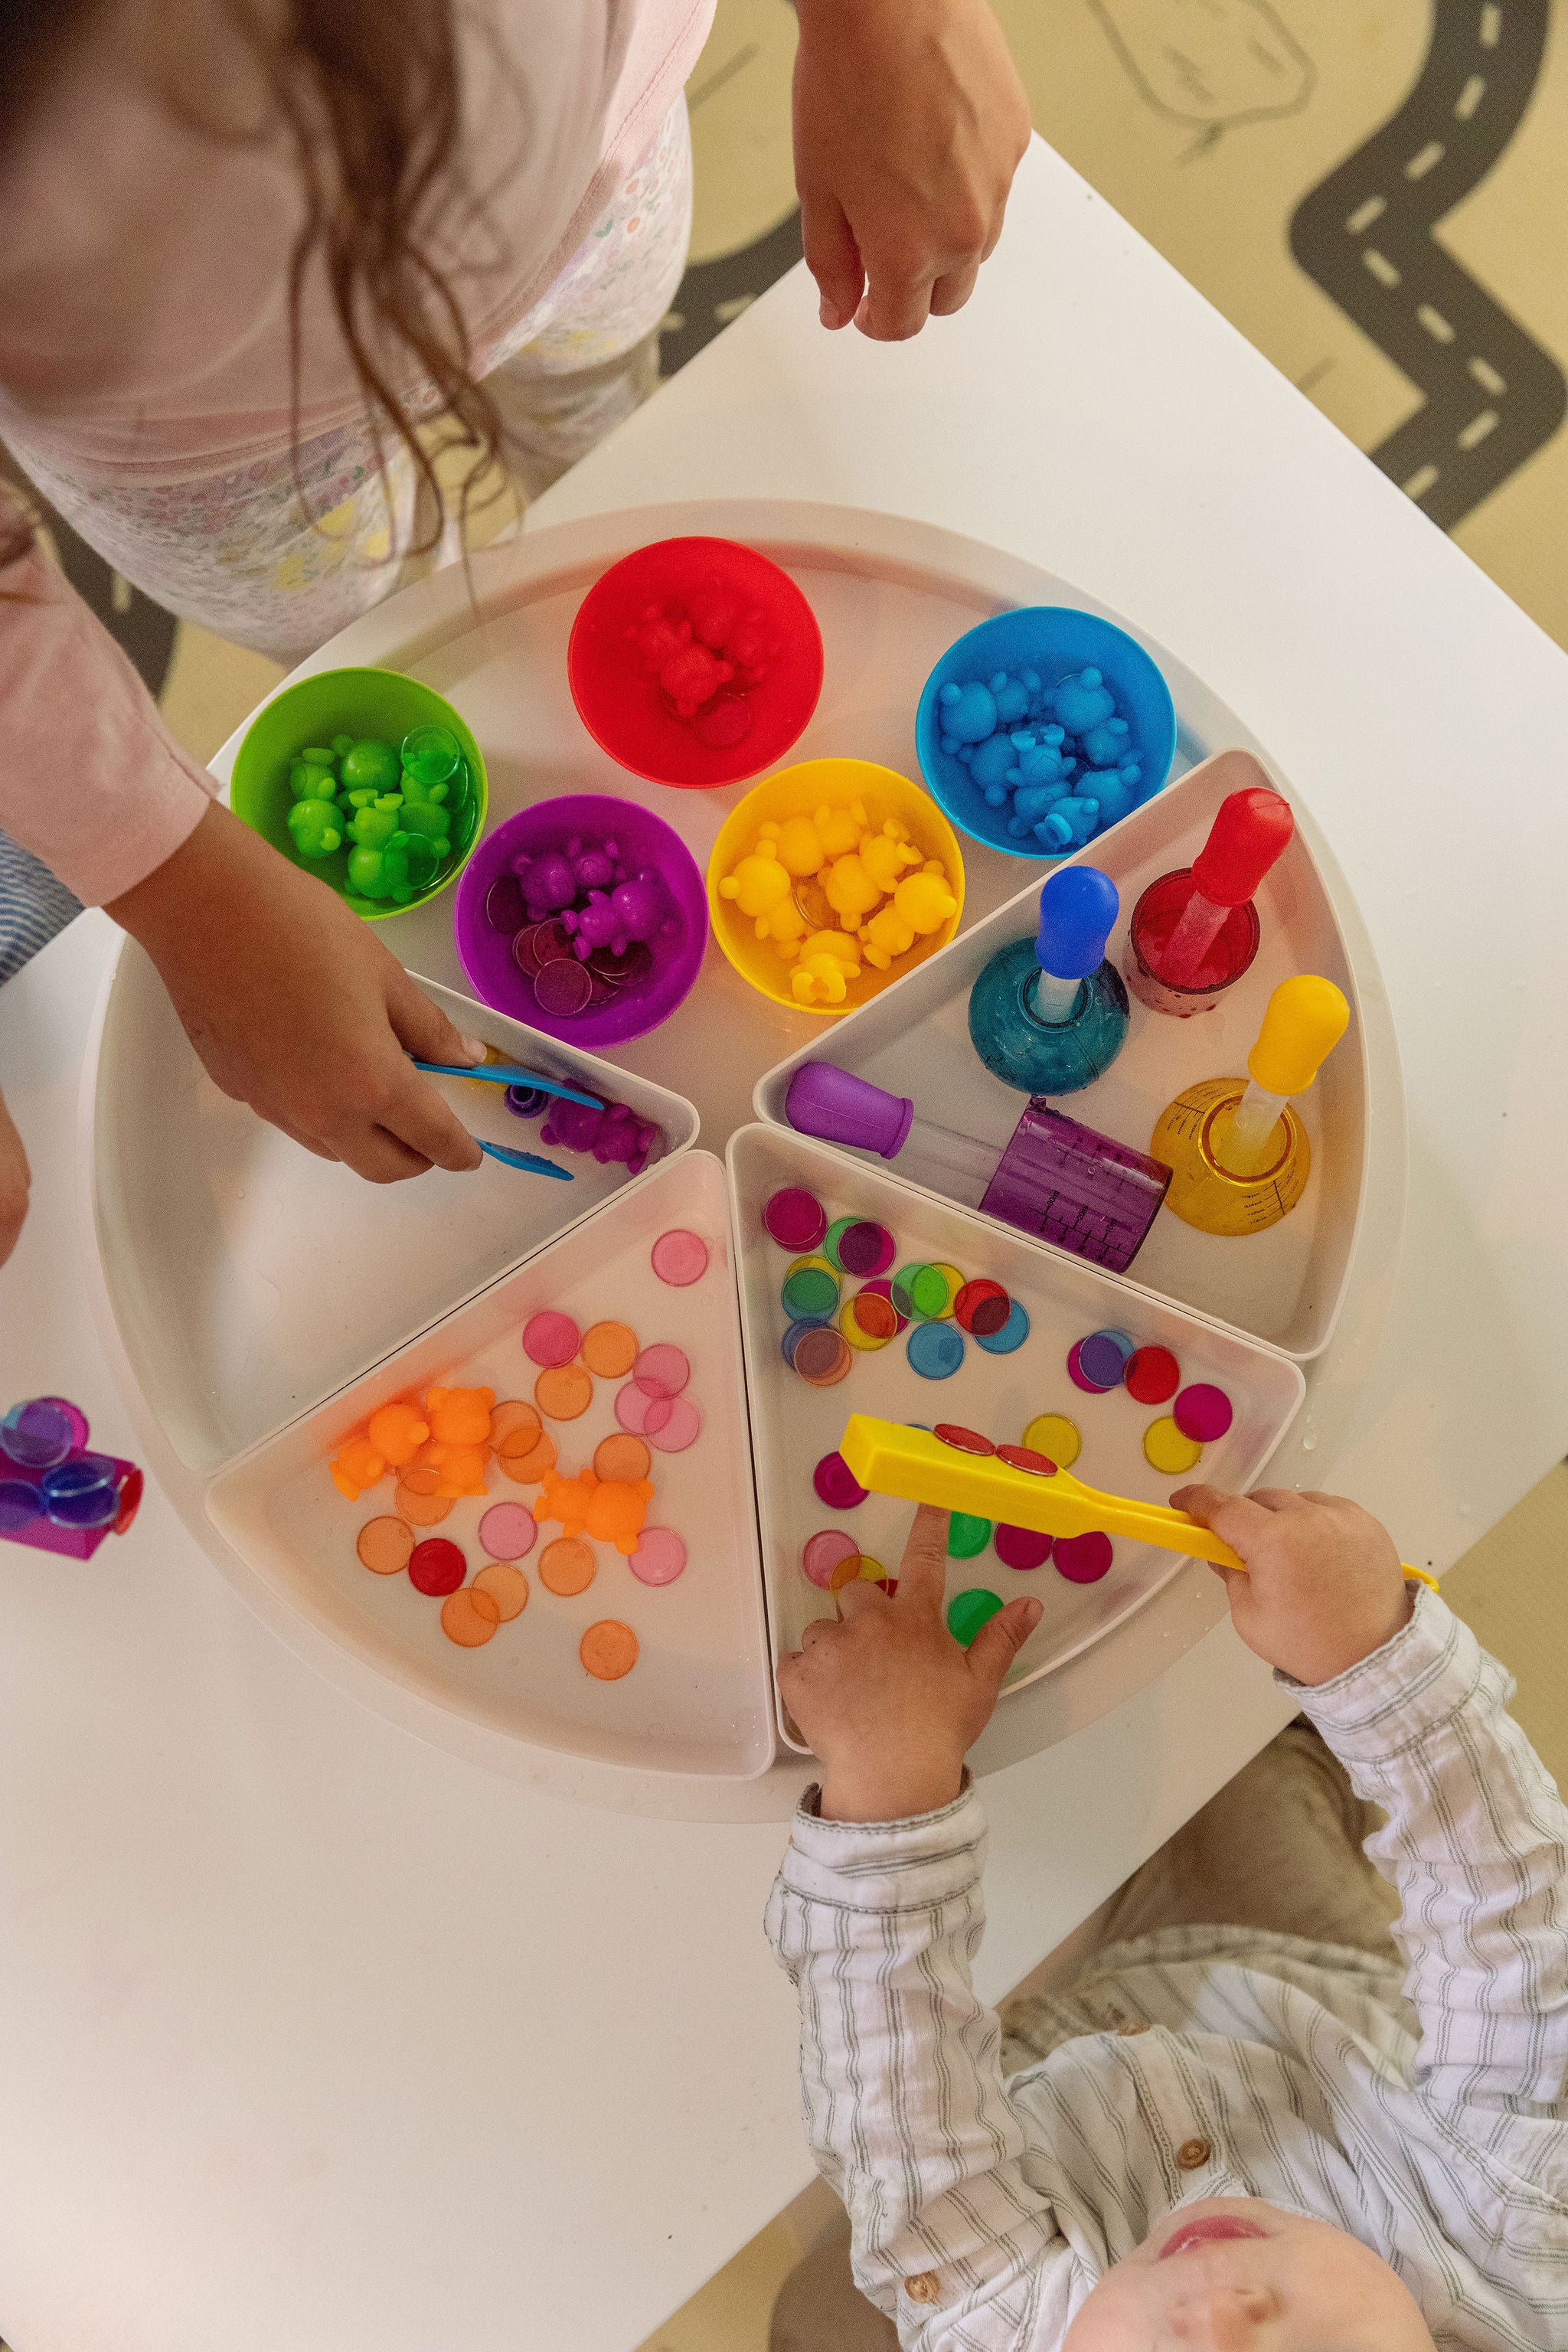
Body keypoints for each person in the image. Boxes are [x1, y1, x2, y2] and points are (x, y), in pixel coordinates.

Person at [0, 0, 1033, 1270]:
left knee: (603, 426)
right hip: (203, 455)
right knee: (360, 623)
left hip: (589, 187)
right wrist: (175, 884)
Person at [766, 1485, 1568, 2349]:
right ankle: (1303, 1747)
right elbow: (1512, 1937)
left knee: (819, 2306)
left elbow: (906, 2149)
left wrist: (886, 1792)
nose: (1215, 2315)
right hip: (1293, 1979)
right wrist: (1369, 1659)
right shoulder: (1510, 2250)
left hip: (1040, 2092)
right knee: (1242, 1752)